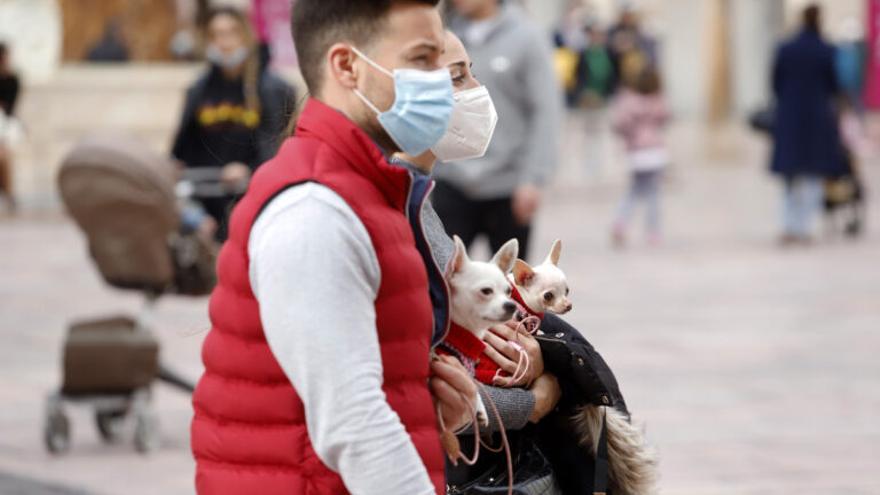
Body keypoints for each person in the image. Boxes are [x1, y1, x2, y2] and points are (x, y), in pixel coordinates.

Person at [190, 2, 478, 494]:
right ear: (347, 66)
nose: (441, 83)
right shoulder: (314, 210)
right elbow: (355, 421)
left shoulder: (369, 190)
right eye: (423, 59)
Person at [395, 30, 634, 495]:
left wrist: (536, 353)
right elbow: (422, 392)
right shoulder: (390, 209)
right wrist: (536, 400)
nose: (475, 91)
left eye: (472, 72)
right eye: (458, 76)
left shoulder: (417, 197)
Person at [432, 0, 563, 261]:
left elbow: (546, 110)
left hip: (508, 186)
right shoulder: (441, 34)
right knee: (442, 279)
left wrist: (533, 178)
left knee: (510, 287)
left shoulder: (527, 37)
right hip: (452, 180)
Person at [171, 7, 294, 240]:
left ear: (246, 35)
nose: (223, 41)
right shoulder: (198, 90)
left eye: (231, 33)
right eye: (216, 34)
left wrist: (249, 169)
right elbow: (184, 151)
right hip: (208, 209)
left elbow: (281, 148)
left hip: (255, 204)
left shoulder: (274, 90)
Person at [771, 4, 846, 245]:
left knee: (790, 177)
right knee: (813, 175)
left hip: (790, 117)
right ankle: (804, 227)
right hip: (817, 118)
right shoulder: (826, 50)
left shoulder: (786, 48)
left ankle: (788, 225)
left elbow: (775, 82)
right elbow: (834, 86)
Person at [610, 66, 670, 247]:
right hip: (654, 152)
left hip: (636, 151)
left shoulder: (628, 101)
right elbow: (666, 117)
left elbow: (620, 124)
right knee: (653, 193)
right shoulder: (658, 100)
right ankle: (653, 231)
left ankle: (620, 222)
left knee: (634, 190)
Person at [0, 42, 20, 212]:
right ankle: (8, 192)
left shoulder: (12, 80)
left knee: (4, 154)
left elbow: (10, 107)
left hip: (6, 124)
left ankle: (8, 192)